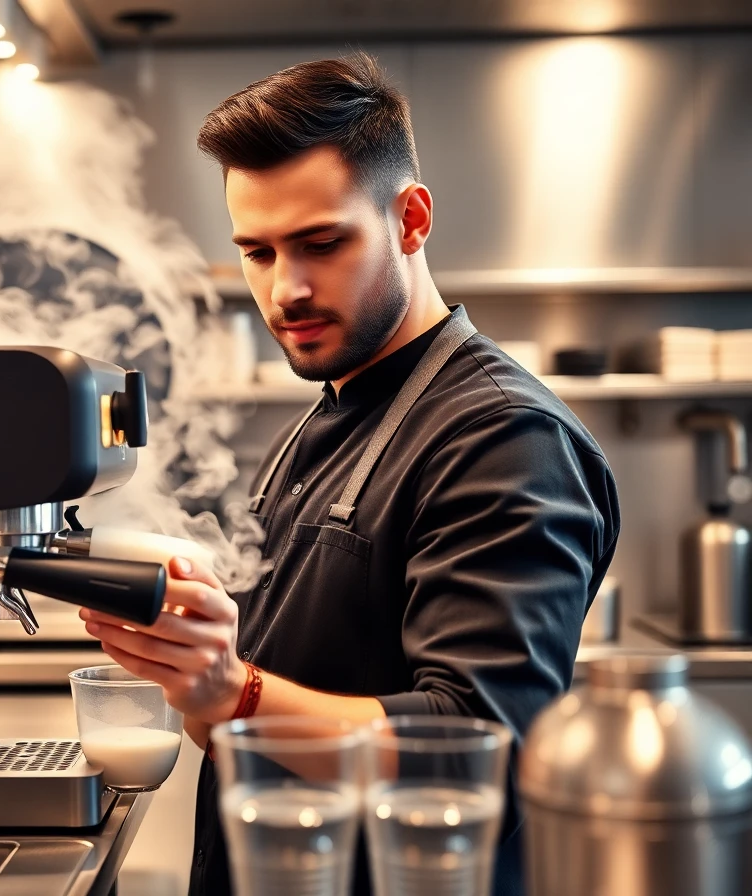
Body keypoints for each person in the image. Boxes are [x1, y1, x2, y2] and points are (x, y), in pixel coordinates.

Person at [77, 53, 620, 895]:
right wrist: (192, 666)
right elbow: (255, 704)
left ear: (410, 218)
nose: (284, 290)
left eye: (321, 243)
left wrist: (235, 689)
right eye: (256, 252)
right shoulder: (323, 416)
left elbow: (480, 744)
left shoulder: (503, 436)